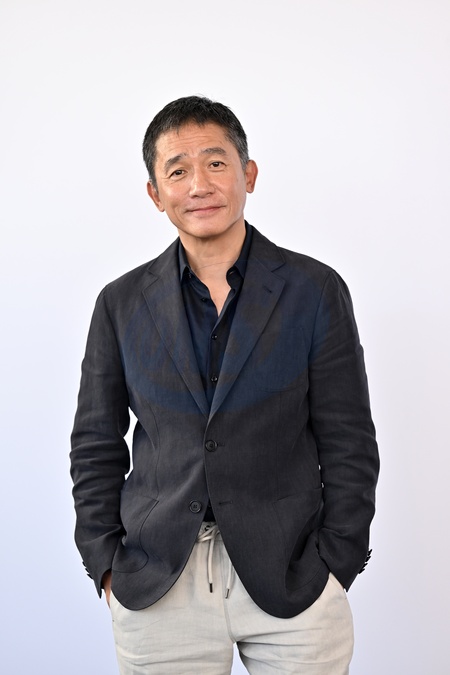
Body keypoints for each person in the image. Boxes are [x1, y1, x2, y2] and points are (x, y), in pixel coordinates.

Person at [70, 95, 379, 674]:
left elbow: (349, 438)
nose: (199, 185)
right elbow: (95, 442)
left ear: (248, 175)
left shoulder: (314, 290)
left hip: (293, 573)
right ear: (155, 194)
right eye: (177, 171)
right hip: (159, 576)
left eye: (216, 163)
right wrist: (106, 562)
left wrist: (338, 560)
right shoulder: (120, 303)